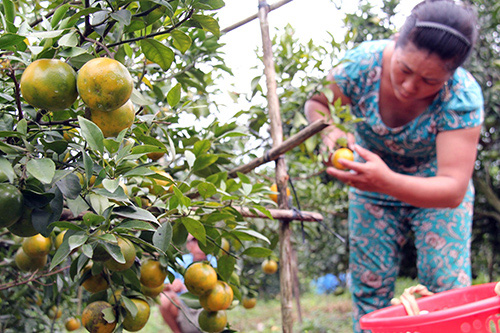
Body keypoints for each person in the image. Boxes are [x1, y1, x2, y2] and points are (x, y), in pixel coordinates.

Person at [304, 1, 483, 332]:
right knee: (370, 292)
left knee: (445, 289)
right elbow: (317, 105)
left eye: (429, 80)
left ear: (452, 73)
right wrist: (332, 135)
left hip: (434, 190)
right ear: (396, 41)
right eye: (404, 69)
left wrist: (387, 180)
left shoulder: (461, 96)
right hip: (371, 187)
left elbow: (453, 189)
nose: (410, 87)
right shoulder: (361, 65)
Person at [159, 235, 217, 333]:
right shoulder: (181, 261)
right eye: (194, 241)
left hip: (204, 305)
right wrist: (172, 284)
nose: (198, 246)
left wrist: (185, 287)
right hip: (183, 306)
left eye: (201, 242)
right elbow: (162, 284)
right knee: (164, 299)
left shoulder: (212, 261)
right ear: (188, 245)